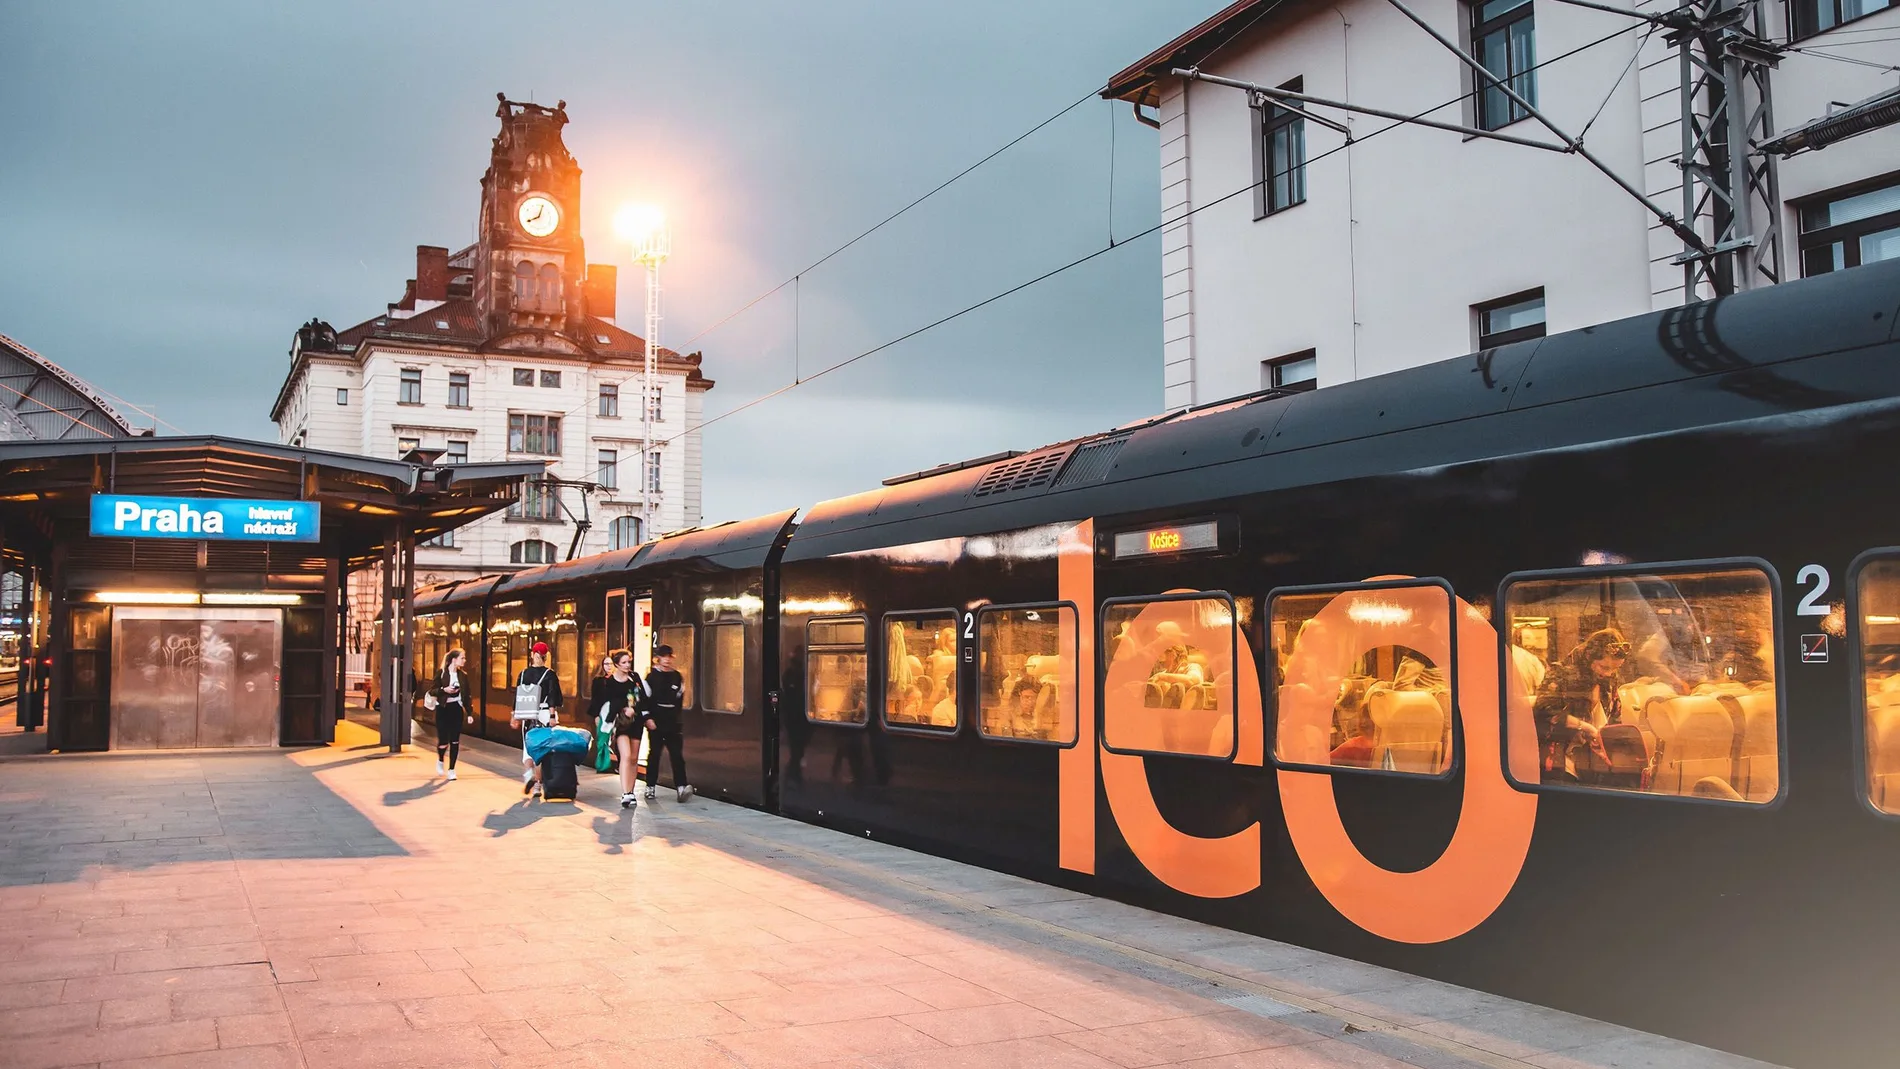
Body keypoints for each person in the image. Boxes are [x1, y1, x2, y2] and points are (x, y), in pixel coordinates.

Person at [1532, 629, 1630, 783]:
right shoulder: (1561, 673)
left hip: (1592, 763)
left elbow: (1615, 716)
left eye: (1615, 668)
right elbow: (1545, 711)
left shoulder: (1609, 680)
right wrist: (1584, 726)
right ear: (1589, 658)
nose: (1609, 673)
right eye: (1604, 667)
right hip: (1558, 761)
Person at [592, 648, 647, 809]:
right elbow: (604, 704)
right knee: (626, 755)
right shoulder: (608, 682)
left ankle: (631, 791)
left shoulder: (634, 678)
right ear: (616, 664)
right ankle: (625, 793)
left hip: (636, 722)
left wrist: (635, 709)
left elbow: (642, 698)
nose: (627, 665)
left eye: (629, 662)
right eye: (623, 662)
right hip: (620, 723)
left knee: (634, 758)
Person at [642, 644, 692, 801]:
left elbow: (679, 699)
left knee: (677, 755)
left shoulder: (677, 676)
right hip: (656, 721)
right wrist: (647, 718)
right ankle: (650, 786)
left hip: (673, 722)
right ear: (658, 658)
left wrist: (678, 720)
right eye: (663, 657)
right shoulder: (651, 677)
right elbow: (644, 700)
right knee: (654, 754)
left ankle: (681, 787)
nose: (666, 660)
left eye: (669, 657)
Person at [517, 641, 564, 798]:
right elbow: (552, 697)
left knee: (528, 749)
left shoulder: (523, 674)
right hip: (544, 713)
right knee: (542, 751)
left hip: (527, 713)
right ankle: (537, 785)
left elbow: (518, 696)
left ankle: (529, 773)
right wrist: (552, 716)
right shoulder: (550, 674)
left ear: (532, 654)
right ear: (546, 656)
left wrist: (514, 716)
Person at [433, 647, 471, 781]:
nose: (464, 660)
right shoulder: (441, 673)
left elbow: (467, 695)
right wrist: (445, 690)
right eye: (462, 658)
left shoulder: (463, 676)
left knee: (455, 740)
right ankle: (440, 759)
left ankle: (452, 770)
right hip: (443, 709)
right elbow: (433, 690)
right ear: (454, 660)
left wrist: (469, 713)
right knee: (443, 740)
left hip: (456, 708)